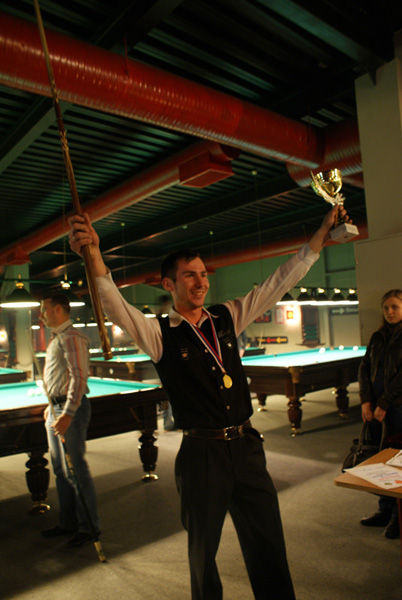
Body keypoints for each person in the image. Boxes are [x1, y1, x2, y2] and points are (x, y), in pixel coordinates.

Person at [69, 206, 347, 599]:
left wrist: (321, 233)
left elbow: (280, 281)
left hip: (247, 448)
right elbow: (114, 303)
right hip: (201, 455)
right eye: (190, 275)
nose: (200, 282)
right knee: (203, 553)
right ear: (169, 284)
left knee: (268, 542)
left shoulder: (226, 317)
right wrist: (94, 254)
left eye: (203, 274)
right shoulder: (159, 333)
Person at [40, 293, 100, 547]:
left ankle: (89, 528)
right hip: (55, 408)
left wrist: (67, 412)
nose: (41, 314)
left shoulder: (72, 337)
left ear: (58, 309)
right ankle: (68, 523)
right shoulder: (57, 337)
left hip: (68, 410)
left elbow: (78, 377)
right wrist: (51, 405)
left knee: (75, 471)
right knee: (60, 470)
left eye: (44, 309)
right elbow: (60, 376)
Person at [359, 289, 402, 539]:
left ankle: (398, 516)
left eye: (395, 307)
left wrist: (384, 402)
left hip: (396, 408)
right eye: (386, 308)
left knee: (397, 462)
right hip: (375, 409)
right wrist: (365, 400)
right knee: (379, 460)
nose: (390, 312)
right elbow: (364, 367)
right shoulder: (377, 337)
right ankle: (384, 510)